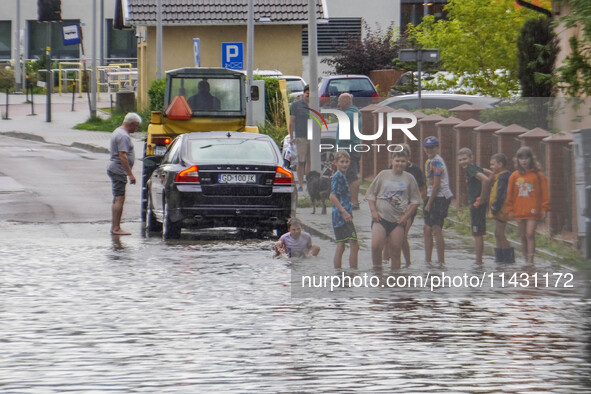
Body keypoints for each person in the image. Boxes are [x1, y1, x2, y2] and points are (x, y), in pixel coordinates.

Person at [366, 150, 421, 269]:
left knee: (396, 249)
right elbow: (370, 194)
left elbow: (415, 201)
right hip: (380, 217)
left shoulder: (409, 179)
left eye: (402, 161)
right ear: (392, 161)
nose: (399, 164)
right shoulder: (383, 175)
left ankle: (395, 278)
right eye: (397, 161)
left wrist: (406, 217)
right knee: (376, 246)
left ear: (406, 162)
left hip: (398, 221)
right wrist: (373, 211)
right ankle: (377, 272)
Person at [506, 146, 550, 264]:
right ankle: (526, 258)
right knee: (523, 235)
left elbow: (544, 192)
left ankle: (531, 259)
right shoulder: (514, 176)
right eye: (521, 158)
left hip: (533, 210)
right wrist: (510, 210)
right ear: (518, 160)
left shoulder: (539, 175)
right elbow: (510, 194)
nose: (524, 161)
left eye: (526, 158)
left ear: (531, 159)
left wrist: (544, 208)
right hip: (519, 210)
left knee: (530, 234)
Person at [107, 112, 141, 235]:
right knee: (119, 198)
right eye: (136, 126)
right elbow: (123, 156)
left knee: (117, 198)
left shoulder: (118, 132)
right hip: (118, 169)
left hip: (115, 168)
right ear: (131, 124)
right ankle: (116, 228)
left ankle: (115, 226)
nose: (136, 129)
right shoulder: (123, 136)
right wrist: (130, 174)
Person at [422, 136, 454, 263]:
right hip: (431, 196)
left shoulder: (436, 161)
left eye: (432, 147)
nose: (429, 150)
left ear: (437, 148)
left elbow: (437, 185)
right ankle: (428, 260)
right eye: (427, 147)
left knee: (436, 228)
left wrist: (429, 203)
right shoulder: (429, 161)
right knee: (427, 228)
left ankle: (441, 261)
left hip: (440, 197)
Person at [457, 147, 490, 264]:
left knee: (477, 234)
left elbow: (486, 180)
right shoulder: (475, 167)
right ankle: (479, 260)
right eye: (460, 160)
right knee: (479, 232)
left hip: (476, 204)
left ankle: (478, 261)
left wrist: (482, 197)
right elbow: (490, 175)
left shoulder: (471, 169)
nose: (462, 162)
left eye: (465, 159)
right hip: (479, 203)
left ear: (472, 158)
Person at [329, 150, 359, 269]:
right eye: (342, 162)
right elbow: (332, 196)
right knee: (354, 244)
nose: (344, 164)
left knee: (341, 245)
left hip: (338, 216)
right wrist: (344, 211)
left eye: (346, 162)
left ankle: (338, 272)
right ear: (335, 163)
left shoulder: (341, 176)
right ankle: (353, 271)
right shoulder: (338, 176)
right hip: (342, 216)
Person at [336, 93, 362, 209]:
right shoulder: (354, 113)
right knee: (351, 175)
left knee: (352, 176)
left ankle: (354, 202)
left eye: (340, 101)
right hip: (354, 148)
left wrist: (339, 149)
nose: (338, 104)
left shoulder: (348, 115)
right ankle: (351, 200)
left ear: (346, 101)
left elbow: (343, 135)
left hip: (348, 149)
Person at [487, 153, 513, 263]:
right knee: (497, 233)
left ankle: (507, 259)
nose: (491, 167)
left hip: (502, 209)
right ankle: (500, 258)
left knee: (499, 233)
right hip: (500, 209)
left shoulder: (503, 177)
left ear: (500, 164)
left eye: (493, 164)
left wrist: (495, 208)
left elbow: (501, 194)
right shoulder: (500, 176)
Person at [289, 84, 310, 192]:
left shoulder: (315, 105)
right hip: (301, 136)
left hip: (313, 137)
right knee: (301, 161)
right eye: (307, 94)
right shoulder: (296, 105)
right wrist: (292, 136)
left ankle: (310, 184)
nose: (309, 96)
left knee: (311, 161)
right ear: (304, 94)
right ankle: (300, 184)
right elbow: (291, 121)